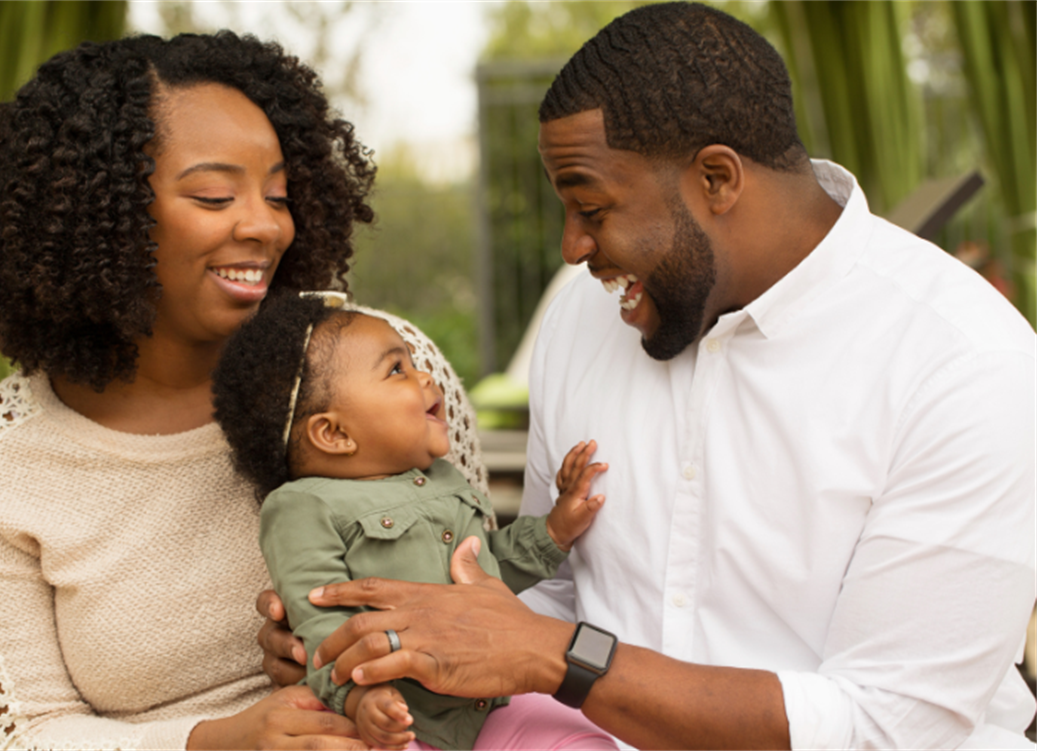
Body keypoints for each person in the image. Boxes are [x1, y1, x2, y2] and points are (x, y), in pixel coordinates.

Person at [257, 4, 1037, 750]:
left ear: (718, 179)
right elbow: (539, 599)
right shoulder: (580, 319)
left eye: (591, 208)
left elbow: (888, 724)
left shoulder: (965, 361)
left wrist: (565, 656)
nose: (569, 247)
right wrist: (369, 635)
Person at [0, 31, 486, 751]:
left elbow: (487, 594)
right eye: (216, 195)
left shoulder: (386, 371)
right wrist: (220, 738)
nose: (265, 224)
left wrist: (344, 651)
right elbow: (25, 733)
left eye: (279, 193)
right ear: (104, 213)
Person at [211, 290, 616, 751]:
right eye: (397, 369)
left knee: (579, 740)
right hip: (396, 719)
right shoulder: (302, 508)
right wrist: (360, 698)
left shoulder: (442, 478)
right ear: (334, 433)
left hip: (491, 704)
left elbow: (487, 571)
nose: (425, 377)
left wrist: (555, 529)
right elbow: (322, 624)